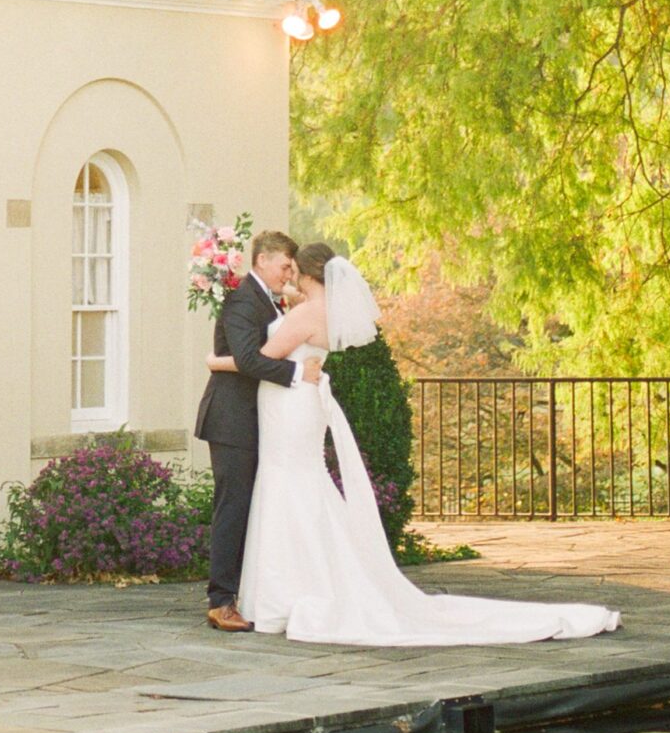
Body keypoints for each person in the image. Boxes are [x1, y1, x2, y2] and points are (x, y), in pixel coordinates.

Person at [208, 241, 621, 646]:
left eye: (294, 271)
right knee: (299, 484)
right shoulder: (320, 311)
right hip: (298, 406)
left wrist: (216, 362)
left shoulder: (304, 314)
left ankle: (286, 592)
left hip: (290, 405)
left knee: (289, 484)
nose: (289, 277)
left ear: (309, 274)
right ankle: (306, 582)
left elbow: (258, 358)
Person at [195, 229, 322, 632]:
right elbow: (249, 359)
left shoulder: (270, 301)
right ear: (263, 260)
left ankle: (239, 593)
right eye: (284, 265)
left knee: (249, 506)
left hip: (257, 420)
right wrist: (300, 372)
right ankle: (220, 601)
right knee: (232, 507)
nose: (288, 273)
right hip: (232, 419)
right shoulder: (242, 301)